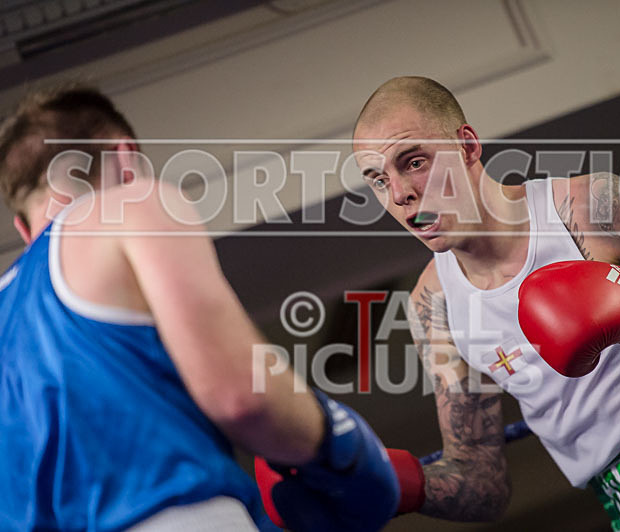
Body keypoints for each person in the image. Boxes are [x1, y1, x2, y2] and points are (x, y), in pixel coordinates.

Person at [346, 76, 620, 530]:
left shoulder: (588, 206)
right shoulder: (433, 304)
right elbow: (480, 482)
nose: (400, 192)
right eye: (379, 180)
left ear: (466, 146)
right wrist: (389, 482)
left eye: (416, 161)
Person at [0, 85, 399, 531]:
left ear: (21, 227)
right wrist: (339, 443)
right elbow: (242, 398)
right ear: (126, 159)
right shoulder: (129, 204)